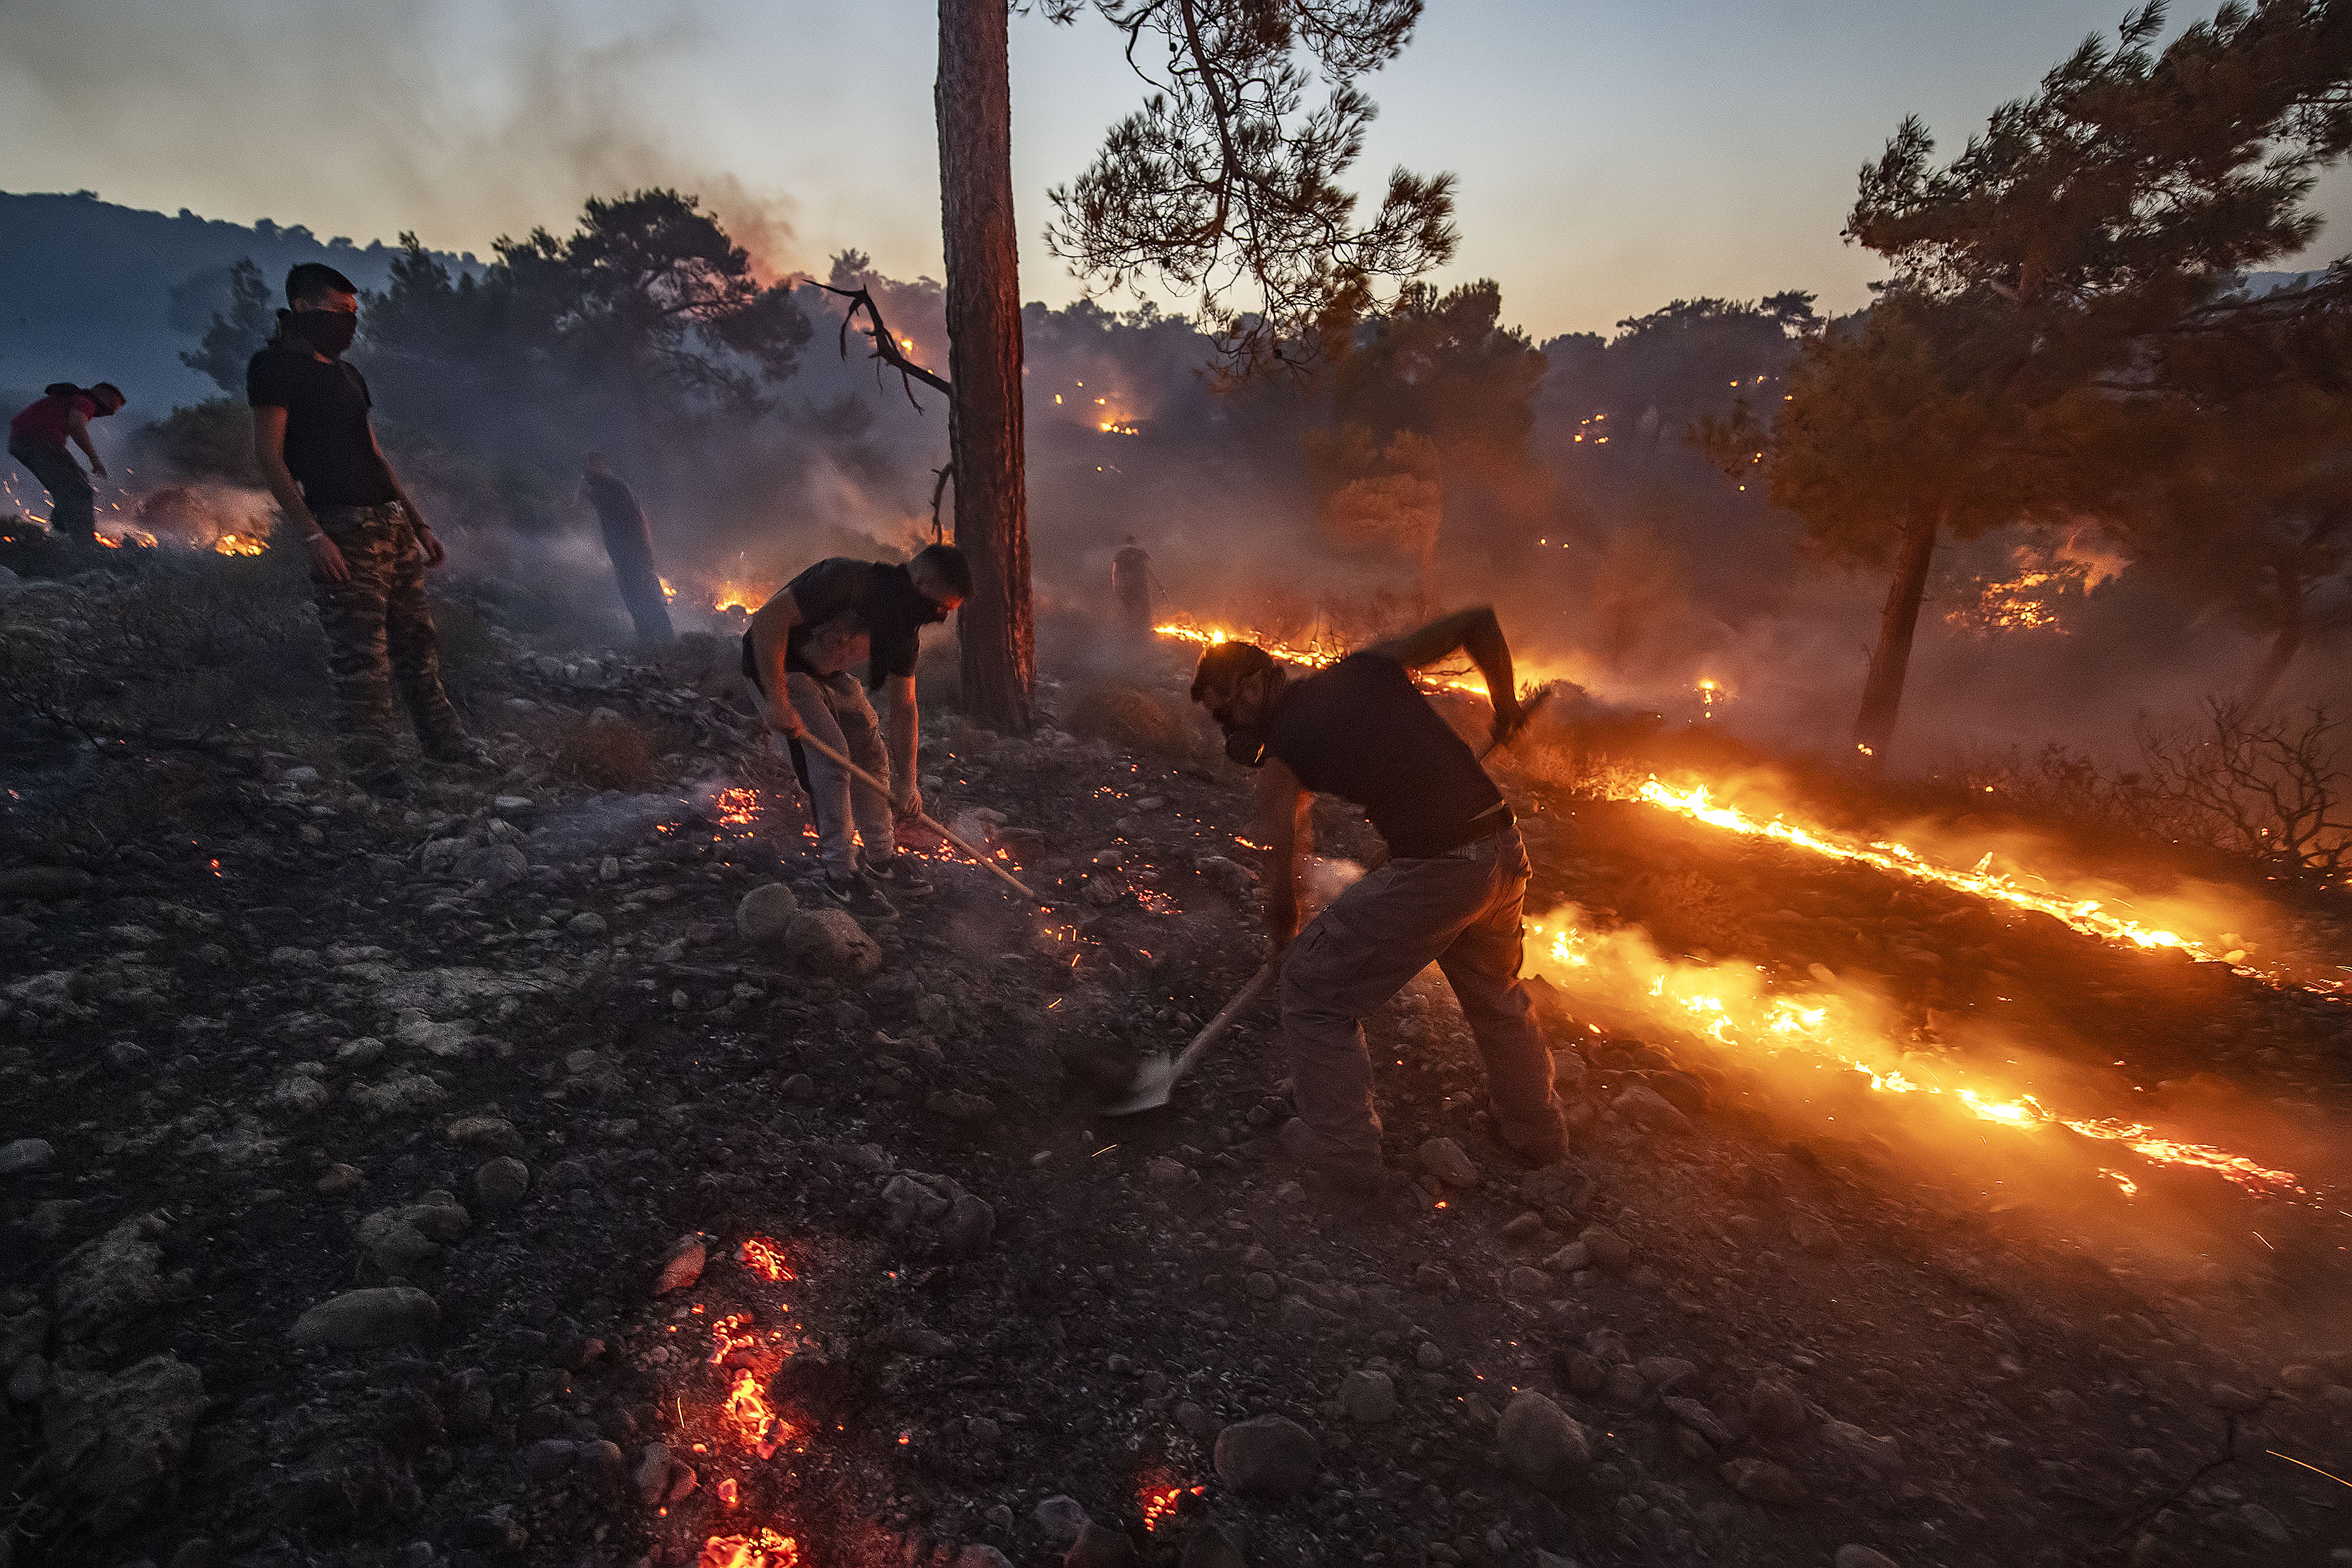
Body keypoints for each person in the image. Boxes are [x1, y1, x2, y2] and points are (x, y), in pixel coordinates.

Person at [1188, 607, 1565, 1215]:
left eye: (1223, 713)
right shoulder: (1367, 667)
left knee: (1313, 992)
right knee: (1495, 995)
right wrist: (1505, 704)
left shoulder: (1283, 752)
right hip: (1501, 849)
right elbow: (1477, 622)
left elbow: (1283, 855)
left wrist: (1284, 939)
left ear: (1253, 688)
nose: (1226, 730)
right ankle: (1538, 1134)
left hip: (1444, 870)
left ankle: (1347, 1170)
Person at [249, 262, 488, 798]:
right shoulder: (273, 367)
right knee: (361, 657)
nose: (349, 323)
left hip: (390, 526)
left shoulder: (348, 375)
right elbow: (269, 457)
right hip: (342, 527)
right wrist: (313, 535)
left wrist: (417, 522)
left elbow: (374, 454)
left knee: (417, 644)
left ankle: (445, 745)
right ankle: (372, 769)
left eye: (353, 313)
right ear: (303, 307)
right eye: (340, 311)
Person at [742, 544, 970, 917]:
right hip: (780, 669)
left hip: (828, 675)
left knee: (871, 752)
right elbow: (769, 621)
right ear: (920, 582)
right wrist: (778, 701)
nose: (941, 617)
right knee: (833, 759)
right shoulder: (845, 580)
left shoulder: (903, 632)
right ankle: (841, 875)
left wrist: (908, 782)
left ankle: (881, 858)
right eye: (942, 606)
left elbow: (905, 706)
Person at [8, 382, 125, 544]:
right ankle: (85, 546)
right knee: (81, 492)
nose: (110, 414)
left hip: (22, 442)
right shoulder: (85, 402)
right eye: (112, 408)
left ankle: (60, 535)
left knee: (74, 484)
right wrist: (95, 459)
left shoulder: (69, 398)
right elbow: (77, 426)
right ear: (102, 397)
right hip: (40, 442)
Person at [576, 452, 676, 643]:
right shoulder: (608, 487)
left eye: (592, 467)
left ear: (602, 467)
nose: (588, 471)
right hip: (625, 552)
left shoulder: (611, 487)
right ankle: (649, 640)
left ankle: (664, 640)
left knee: (641, 593)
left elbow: (577, 510)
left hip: (632, 551)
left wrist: (645, 548)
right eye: (588, 467)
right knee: (633, 594)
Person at [1111, 536, 1153, 640]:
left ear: (1126, 543)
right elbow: (1148, 566)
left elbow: (1115, 571)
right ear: (1134, 542)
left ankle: (1132, 631)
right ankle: (1145, 630)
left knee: (1128, 607)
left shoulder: (1121, 554)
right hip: (1140, 585)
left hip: (1126, 585)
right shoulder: (1140, 552)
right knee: (1143, 606)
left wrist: (1115, 585)